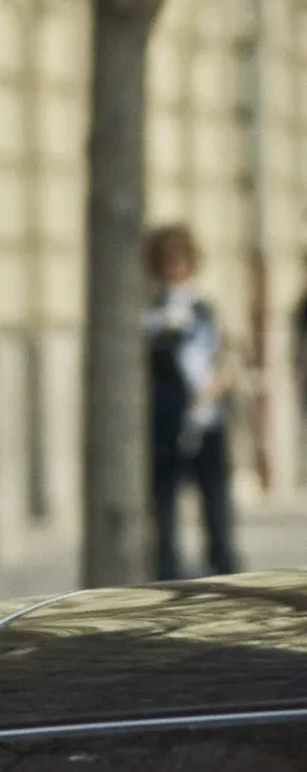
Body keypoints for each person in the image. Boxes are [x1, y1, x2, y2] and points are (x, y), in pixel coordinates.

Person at [144, 224, 238, 579]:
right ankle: (167, 572)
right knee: (165, 506)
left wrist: (217, 385)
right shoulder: (152, 312)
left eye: (181, 259)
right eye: (169, 260)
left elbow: (224, 354)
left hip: (207, 418)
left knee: (216, 504)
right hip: (168, 422)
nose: (176, 267)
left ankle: (223, 567)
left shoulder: (203, 308)